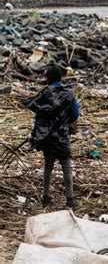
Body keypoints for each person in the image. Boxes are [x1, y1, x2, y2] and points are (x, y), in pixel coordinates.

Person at [24, 64, 80, 208]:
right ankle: (70, 199)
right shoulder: (68, 93)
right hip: (61, 136)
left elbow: (38, 115)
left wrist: (36, 134)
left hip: (46, 137)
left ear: (48, 78)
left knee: (48, 165)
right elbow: (75, 114)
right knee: (66, 165)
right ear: (61, 77)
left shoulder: (44, 93)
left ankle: (46, 197)